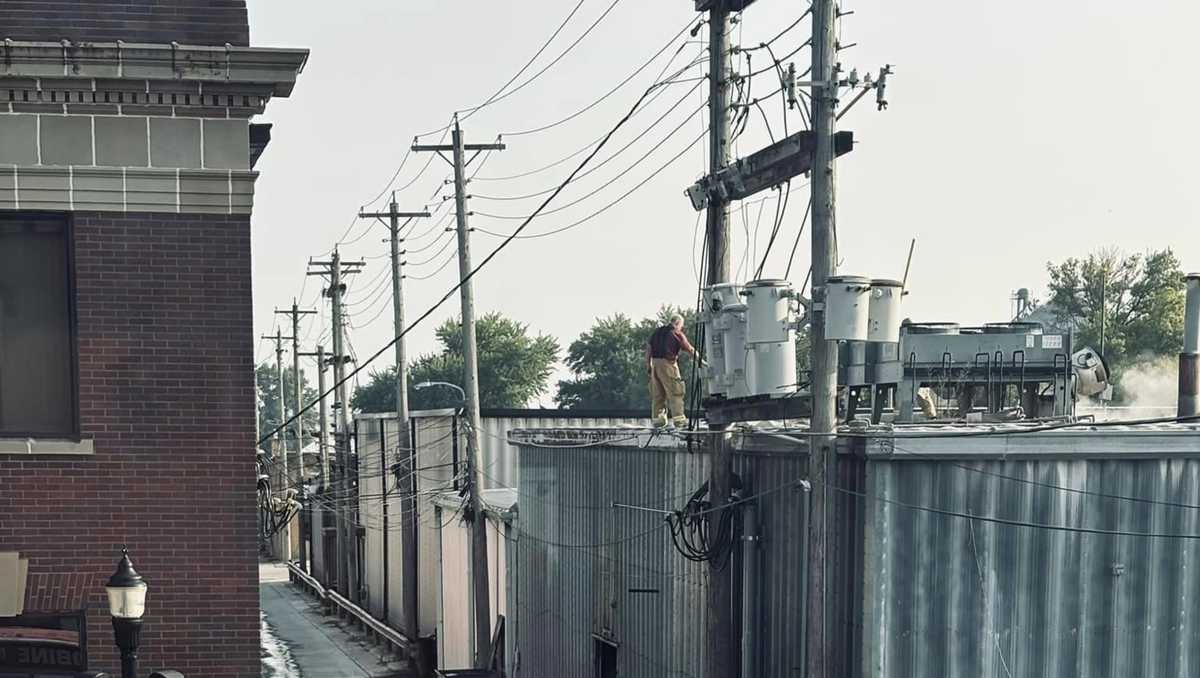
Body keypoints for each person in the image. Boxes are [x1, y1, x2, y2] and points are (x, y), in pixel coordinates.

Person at [646, 314, 701, 428]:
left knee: (658, 394)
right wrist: (701, 361)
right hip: (668, 364)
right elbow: (690, 349)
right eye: (681, 325)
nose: (681, 328)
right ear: (677, 323)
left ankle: (658, 421)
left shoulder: (657, 332)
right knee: (676, 391)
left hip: (655, 365)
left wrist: (648, 365)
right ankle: (679, 420)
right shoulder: (676, 333)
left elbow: (648, 349)